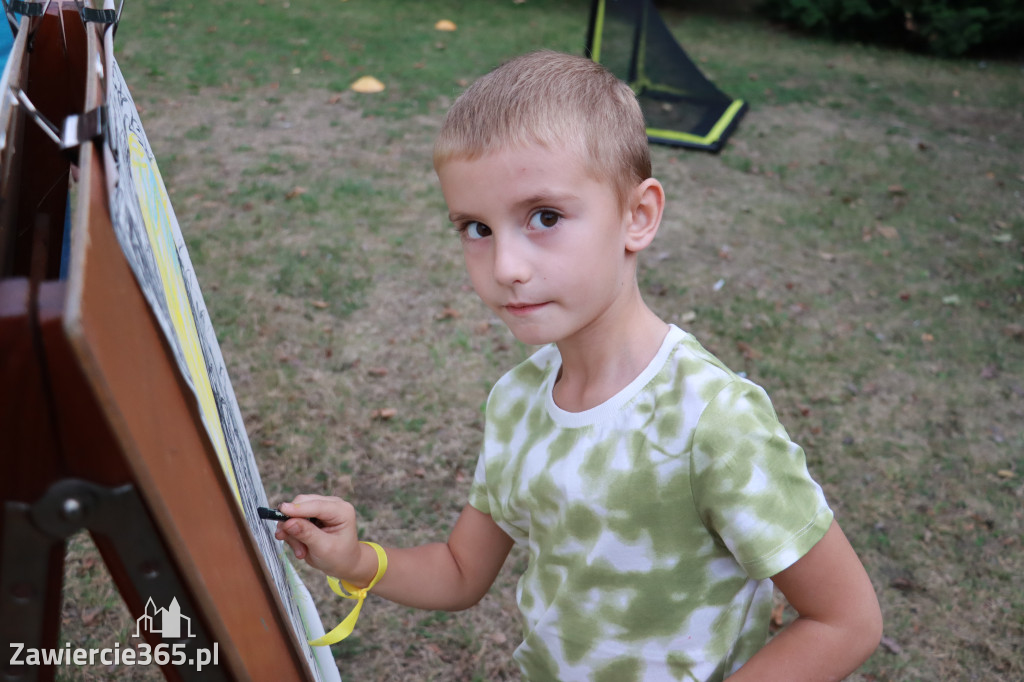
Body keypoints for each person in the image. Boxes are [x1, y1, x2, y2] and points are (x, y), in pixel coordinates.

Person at [276, 50, 882, 681]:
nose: (505, 265)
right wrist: (356, 561)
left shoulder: (712, 420)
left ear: (637, 216)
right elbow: (461, 572)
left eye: (545, 217)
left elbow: (845, 621)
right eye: (476, 228)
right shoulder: (517, 401)